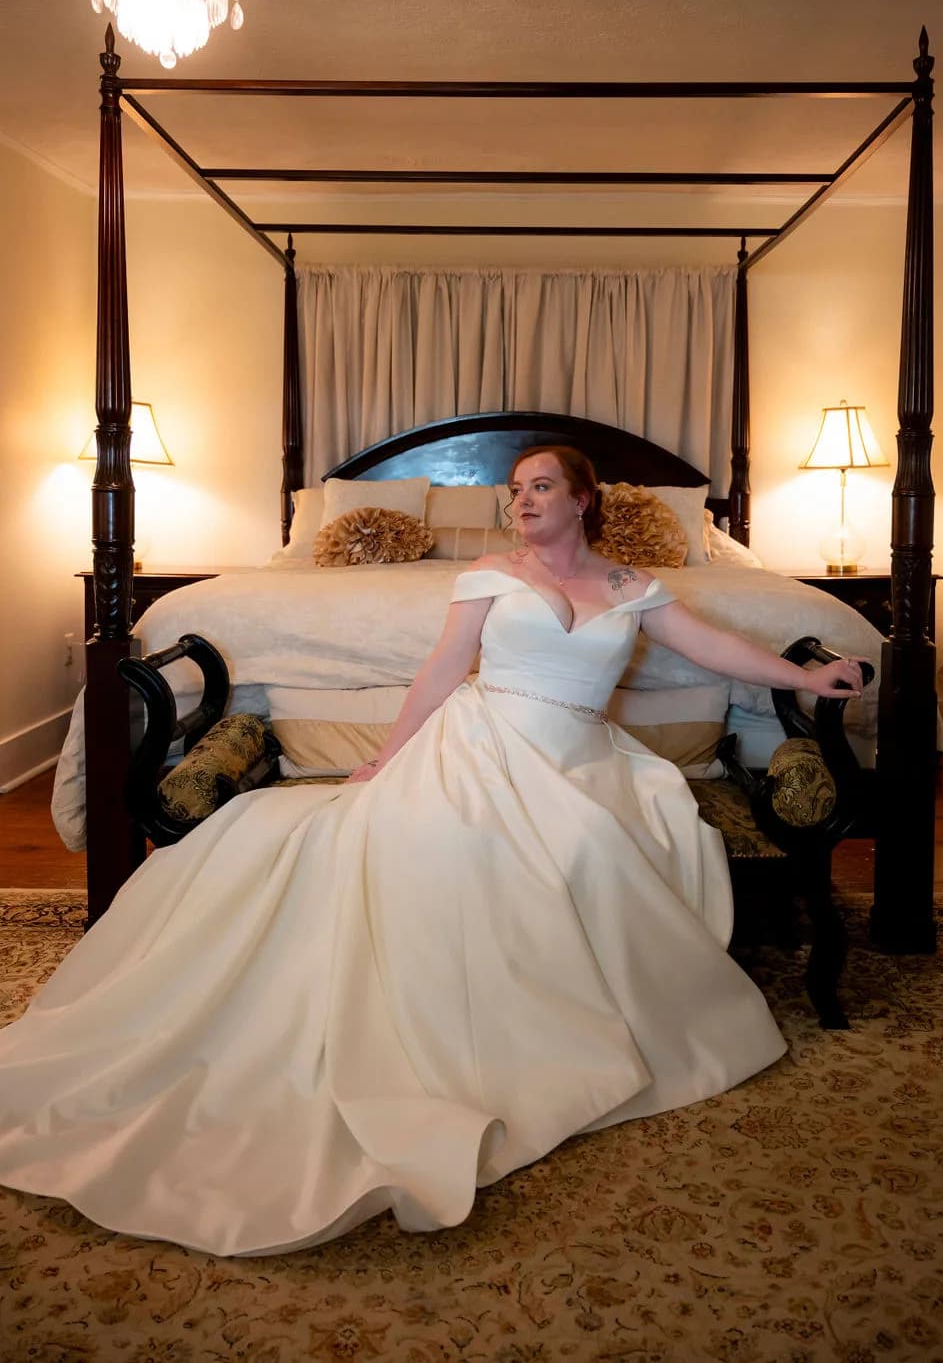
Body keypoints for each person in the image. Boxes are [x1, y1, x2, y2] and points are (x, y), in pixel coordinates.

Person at [0, 446, 863, 1258]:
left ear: (582, 500)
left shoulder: (632, 585)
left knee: (591, 843)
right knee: (432, 838)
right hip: (483, 740)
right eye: (515, 491)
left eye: (540, 487)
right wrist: (388, 757)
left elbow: (713, 647)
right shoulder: (490, 573)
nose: (522, 501)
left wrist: (804, 677)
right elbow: (444, 668)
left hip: (582, 756)